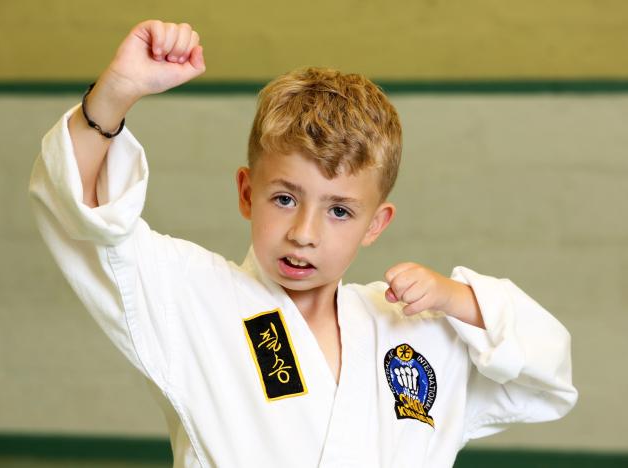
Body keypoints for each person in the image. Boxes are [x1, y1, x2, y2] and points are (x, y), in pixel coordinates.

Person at [29, 20, 577, 468]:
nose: (304, 233)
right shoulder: (196, 298)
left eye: (339, 210)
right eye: (285, 199)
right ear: (247, 192)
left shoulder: (416, 328)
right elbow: (90, 226)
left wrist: (459, 299)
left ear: (375, 224)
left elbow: (549, 376)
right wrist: (117, 92)